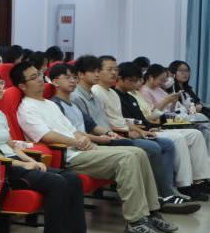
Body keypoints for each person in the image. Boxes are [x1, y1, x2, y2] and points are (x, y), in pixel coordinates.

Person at [12, 61, 172, 233]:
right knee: (127, 158)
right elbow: (46, 136)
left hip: (81, 149)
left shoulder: (50, 104)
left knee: (139, 153)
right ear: (22, 86)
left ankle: (151, 212)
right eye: (34, 77)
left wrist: (84, 138)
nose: (40, 79)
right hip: (68, 156)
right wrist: (76, 142)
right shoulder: (27, 108)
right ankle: (136, 221)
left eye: (40, 74)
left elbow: (71, 129)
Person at [0, 68, 95, 233]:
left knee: (72, 178)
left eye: (0, 83)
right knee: (57, 183)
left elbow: (11, 145)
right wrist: (23, 165)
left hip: (15, 162)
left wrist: (30, 160)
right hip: (1, 169)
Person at [65, 58, 185, 201]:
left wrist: (137, 131)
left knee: (166, 144)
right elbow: (87, 128)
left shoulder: (100, 94)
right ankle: (160, 195)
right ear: (81, 74)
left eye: (115, 69)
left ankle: (165, 191)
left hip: (112, 134)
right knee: (150, 148)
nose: (114, 73)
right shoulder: (85, 95)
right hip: (100, 140)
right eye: (108, 69)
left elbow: (112, 121)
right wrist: (113, 134)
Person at [119, 63, 210, 197]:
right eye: (135, 80)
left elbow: (149, 114)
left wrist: (168, 106)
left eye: (138, 80)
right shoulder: (139, 93)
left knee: (196, 134)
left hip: (154, 124)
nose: (138, 83)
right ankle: (184, 184)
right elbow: (140, 118)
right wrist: (164, 107)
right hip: (150, 126)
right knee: (178, 138)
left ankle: (200, 179)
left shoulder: (136, 94)